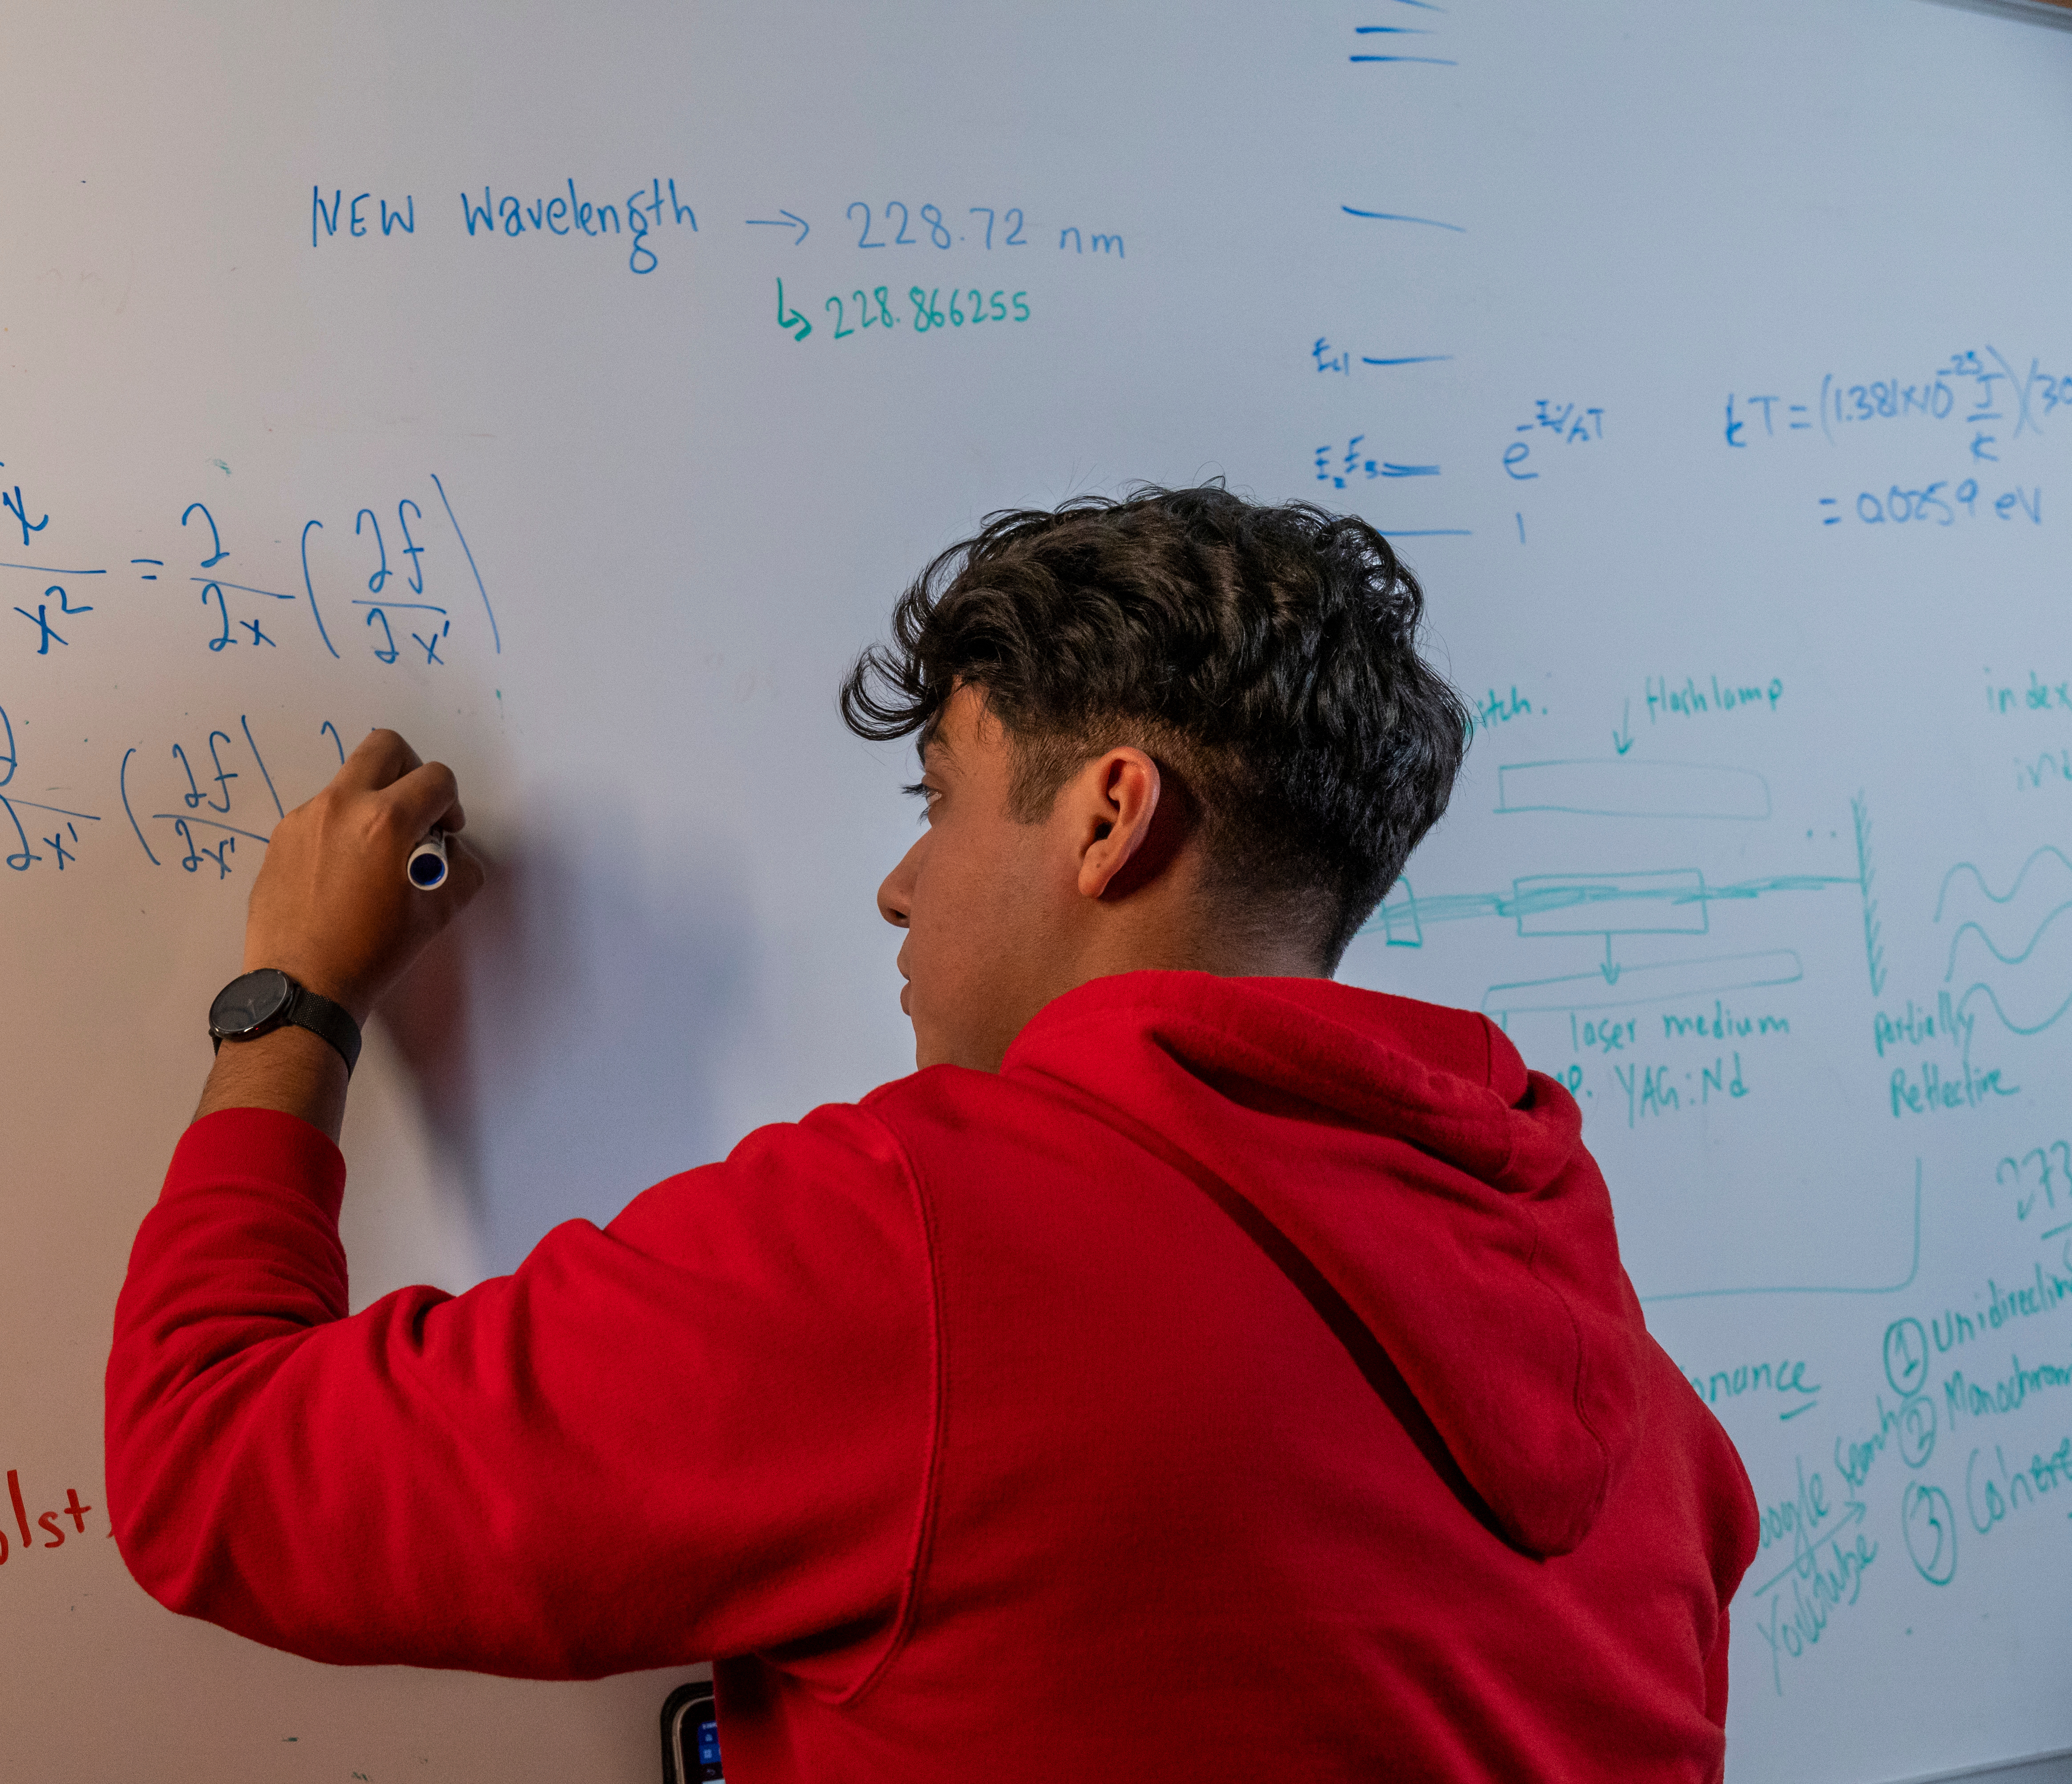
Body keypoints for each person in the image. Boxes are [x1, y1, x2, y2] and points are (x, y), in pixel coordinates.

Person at [106, 484, 1758, 1780]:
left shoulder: (920, 1246)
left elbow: (214, 1469)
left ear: (1111, 818)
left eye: (943, 804)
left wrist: (296, 1001)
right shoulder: (1626, 1377)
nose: (902, 883)